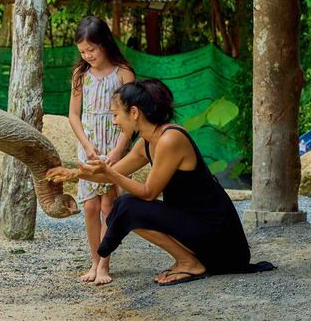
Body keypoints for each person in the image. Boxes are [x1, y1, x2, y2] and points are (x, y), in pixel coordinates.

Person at [47, 79, 274, 286]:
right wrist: (72, 174)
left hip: (222, 241)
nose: (114, 122)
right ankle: (188, 260)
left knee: (127, 206)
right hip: (196, 225)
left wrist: (110, 174)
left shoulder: (170, 139)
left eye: (116, 115)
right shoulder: (146, 141)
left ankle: (191, 264)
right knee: (124, 206)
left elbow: (147, 193)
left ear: (134, 112)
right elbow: (110, 172)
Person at [68, 16, 135, 285]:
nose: (88, 56)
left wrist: (118, 152)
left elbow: (132, 118)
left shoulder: (123, 73)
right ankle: (94, 261)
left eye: (91, 50)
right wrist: (86, 145)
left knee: (109, 204)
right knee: (89, 206)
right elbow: (73, 115)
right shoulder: (80, 74)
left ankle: (105, 264)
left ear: (105, 43)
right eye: (83, 52)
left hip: (113, 146)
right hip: (89, 146)